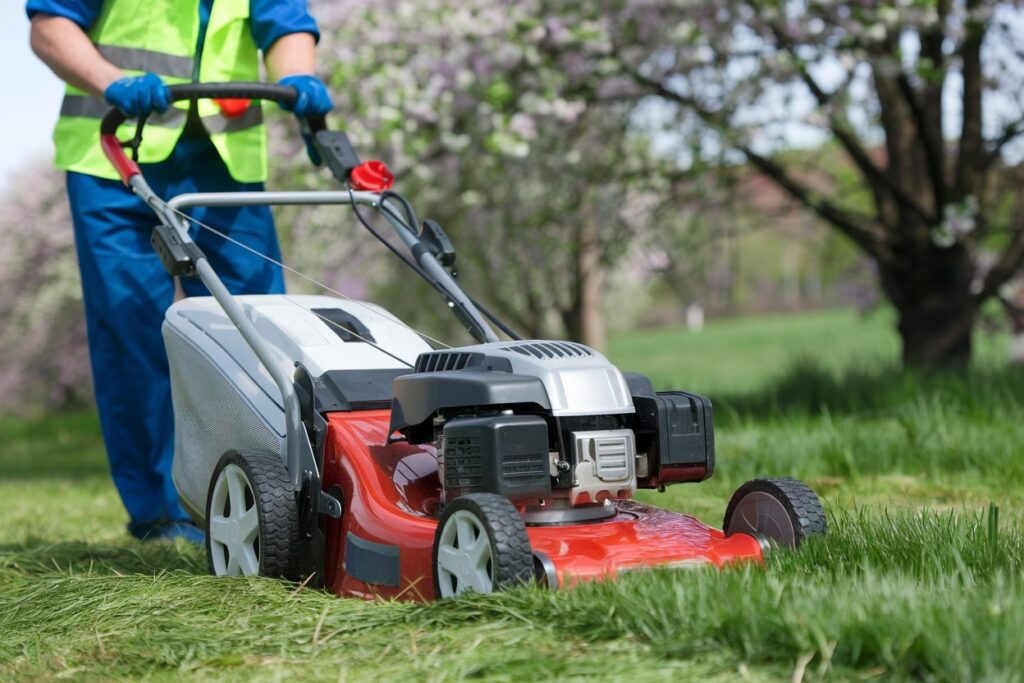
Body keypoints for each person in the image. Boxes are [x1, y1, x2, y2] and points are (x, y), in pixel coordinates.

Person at [27, 0, 333, 542]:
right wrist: (111, 80)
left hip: (223, 164)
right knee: (134, 332)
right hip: (115, 154)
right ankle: (163, 514)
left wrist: (299, 79)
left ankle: (278, 498)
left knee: (256, 332)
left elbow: (285, 24)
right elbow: (50, 27)